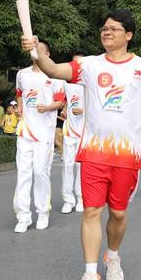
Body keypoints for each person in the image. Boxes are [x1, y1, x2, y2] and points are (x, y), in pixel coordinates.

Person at [21, 8, 141, 280]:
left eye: (113, 29)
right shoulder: (90, 65)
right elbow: (55, 70)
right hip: (93, 152)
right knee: (92, 211)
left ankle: (113, 255)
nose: (106, 32)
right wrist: (35, 52)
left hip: (126, 155)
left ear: (128, 35)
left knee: (118, 213)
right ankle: (90, 274)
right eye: (104, 28)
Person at [13, 39, 66, 234]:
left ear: (47, 55)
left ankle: (43, 212)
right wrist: (20, 105)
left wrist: (47, 107)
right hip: (25, 130)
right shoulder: (22, 74)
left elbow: (60, 102)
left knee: (40, 172)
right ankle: (23, 215)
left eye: (40, 50)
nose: (35, 53)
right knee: (23, 172)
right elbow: (19, 93)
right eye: (33, 50)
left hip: (44, 131)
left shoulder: (56, 77)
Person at [61, 54, 86, 214]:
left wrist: (84, 110)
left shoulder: (90, 84)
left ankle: (81, 198)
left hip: (85, 130)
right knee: (67, 164)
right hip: (70, 129)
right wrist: (63, 109)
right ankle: (68, 200)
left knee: (81, 166)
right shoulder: (65, 83)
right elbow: (62, 102)